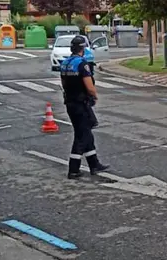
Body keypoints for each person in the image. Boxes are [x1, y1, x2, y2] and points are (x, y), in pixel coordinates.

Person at [60, 35, 109, 180]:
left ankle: (94, 164)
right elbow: (89, 86)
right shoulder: (82, 64)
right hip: (81, 104)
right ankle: (73, 169)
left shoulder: (65, 63)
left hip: (70, 102)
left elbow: (63, 83)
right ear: (83, 48)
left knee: (86, 132)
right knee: (82, 136)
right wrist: (94, 96)